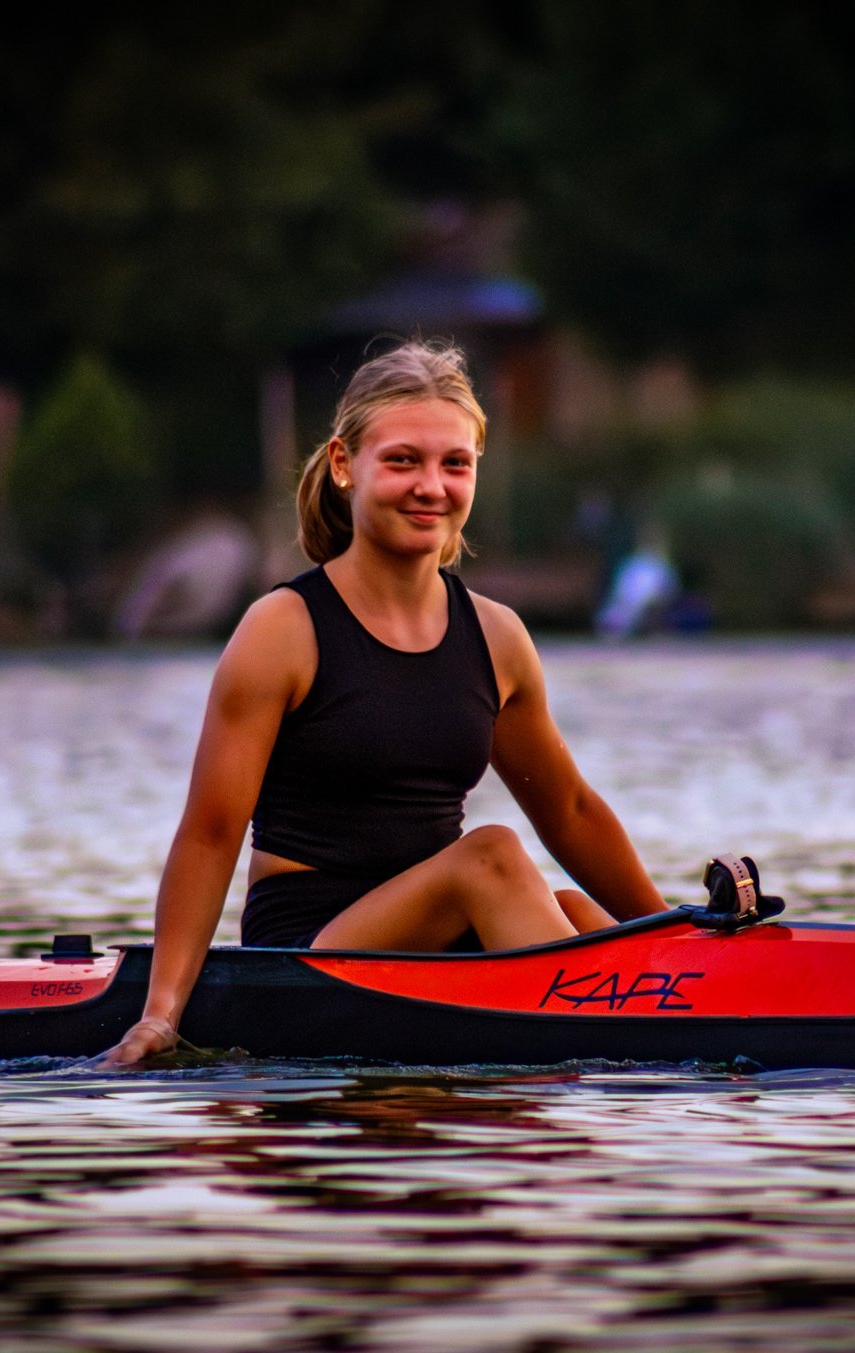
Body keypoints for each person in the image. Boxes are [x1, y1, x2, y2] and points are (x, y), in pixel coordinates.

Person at [99, 341, 667, 1067]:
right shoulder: (283, 630)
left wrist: (681, 936)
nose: (431, 485)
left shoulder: (497, 636)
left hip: (439, 931)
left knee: (585, 917)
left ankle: (638, 1041)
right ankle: (609, 1059)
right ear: (344, 464)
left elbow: (571, 811)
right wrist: (160, 1014)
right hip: (309, 953)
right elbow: (210, 834)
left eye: (454, 464)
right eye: (403, 460)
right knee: (492, 854)